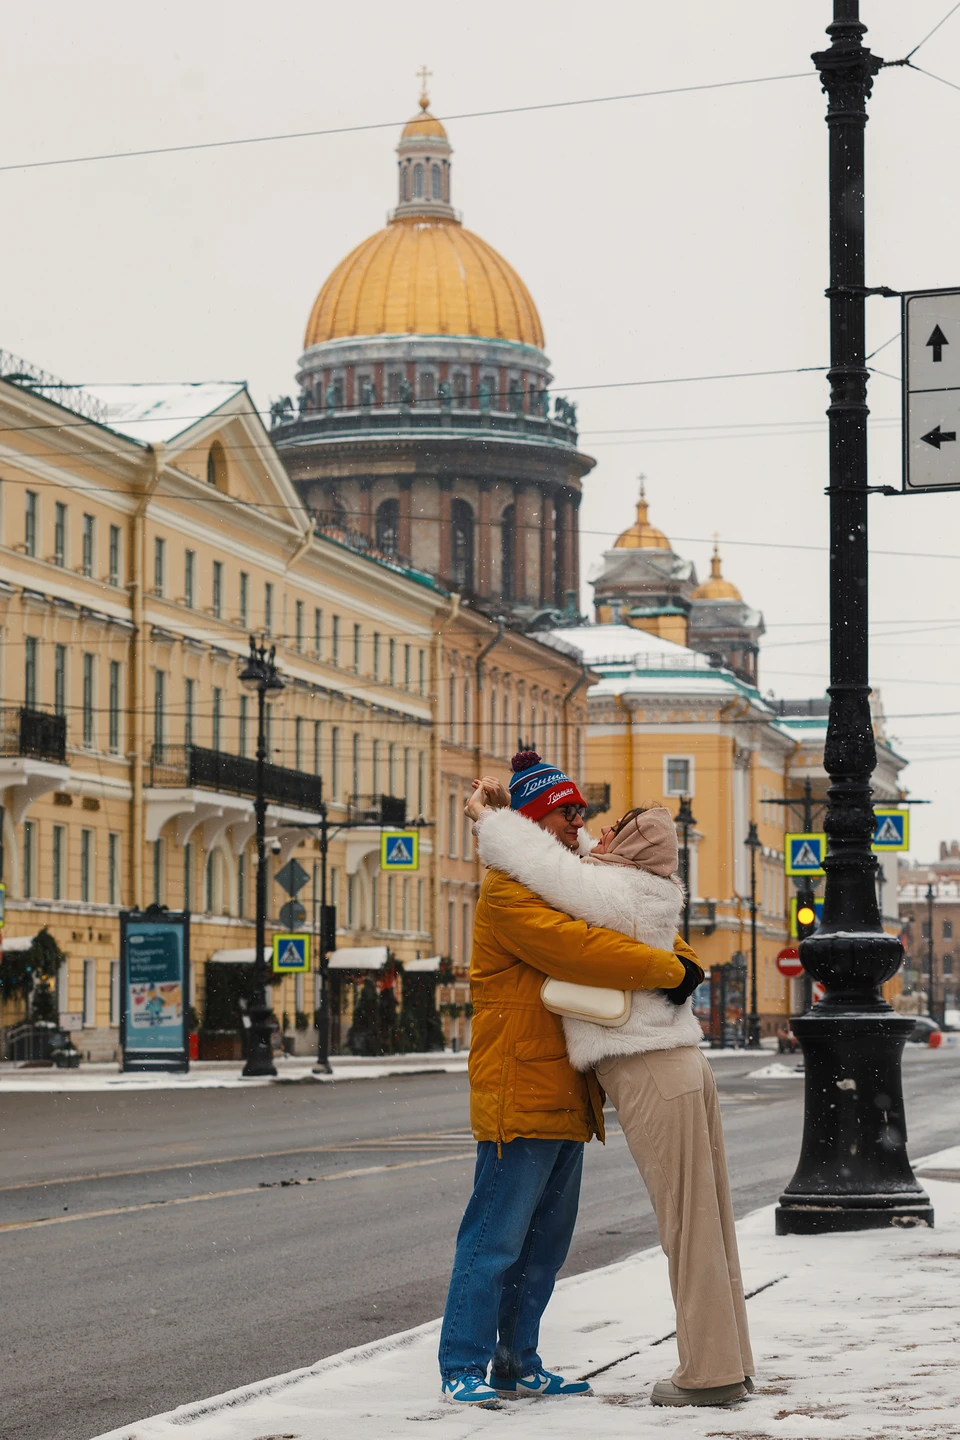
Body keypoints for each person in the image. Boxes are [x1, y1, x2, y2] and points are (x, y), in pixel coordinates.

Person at [470, 770, 754, 1409]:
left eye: (607, 833)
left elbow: (544, 865)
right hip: (678, 1061)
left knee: (687, 1226)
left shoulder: (608, 892)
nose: (591, 836)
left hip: (652, 1064)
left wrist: (491, 818)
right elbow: (558, 857)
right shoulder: (645, 891)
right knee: (709, 1225)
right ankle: (729, 1364)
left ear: (626, 852)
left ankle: (707, 1375)